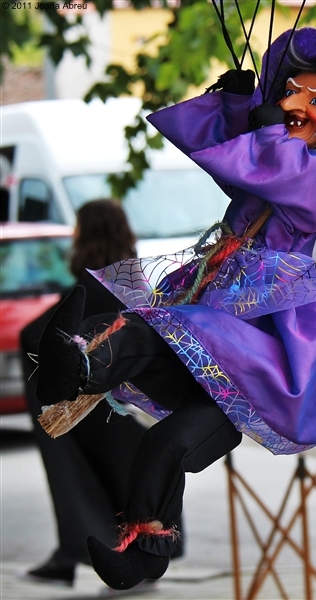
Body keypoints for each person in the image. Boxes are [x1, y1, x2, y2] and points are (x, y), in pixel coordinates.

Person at [34, 27, 316, 590]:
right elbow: (231, 152)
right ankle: (147, 549)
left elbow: (267, 164)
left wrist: (266, 122)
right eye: (293, 91)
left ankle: (82, 365)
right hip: (225, 337)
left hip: (267, 348)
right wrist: (232, 103)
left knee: (172, 335)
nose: (298, 105)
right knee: (162, 438)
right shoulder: (273, 150)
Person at [20, 199, 184, 588]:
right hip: (130, 398)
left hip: (96, 400)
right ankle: (133, 556)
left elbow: (44, 334)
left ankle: (89, 553)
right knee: (132, 477)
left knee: (88, 476)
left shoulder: (94, 280)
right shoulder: (131, 276)